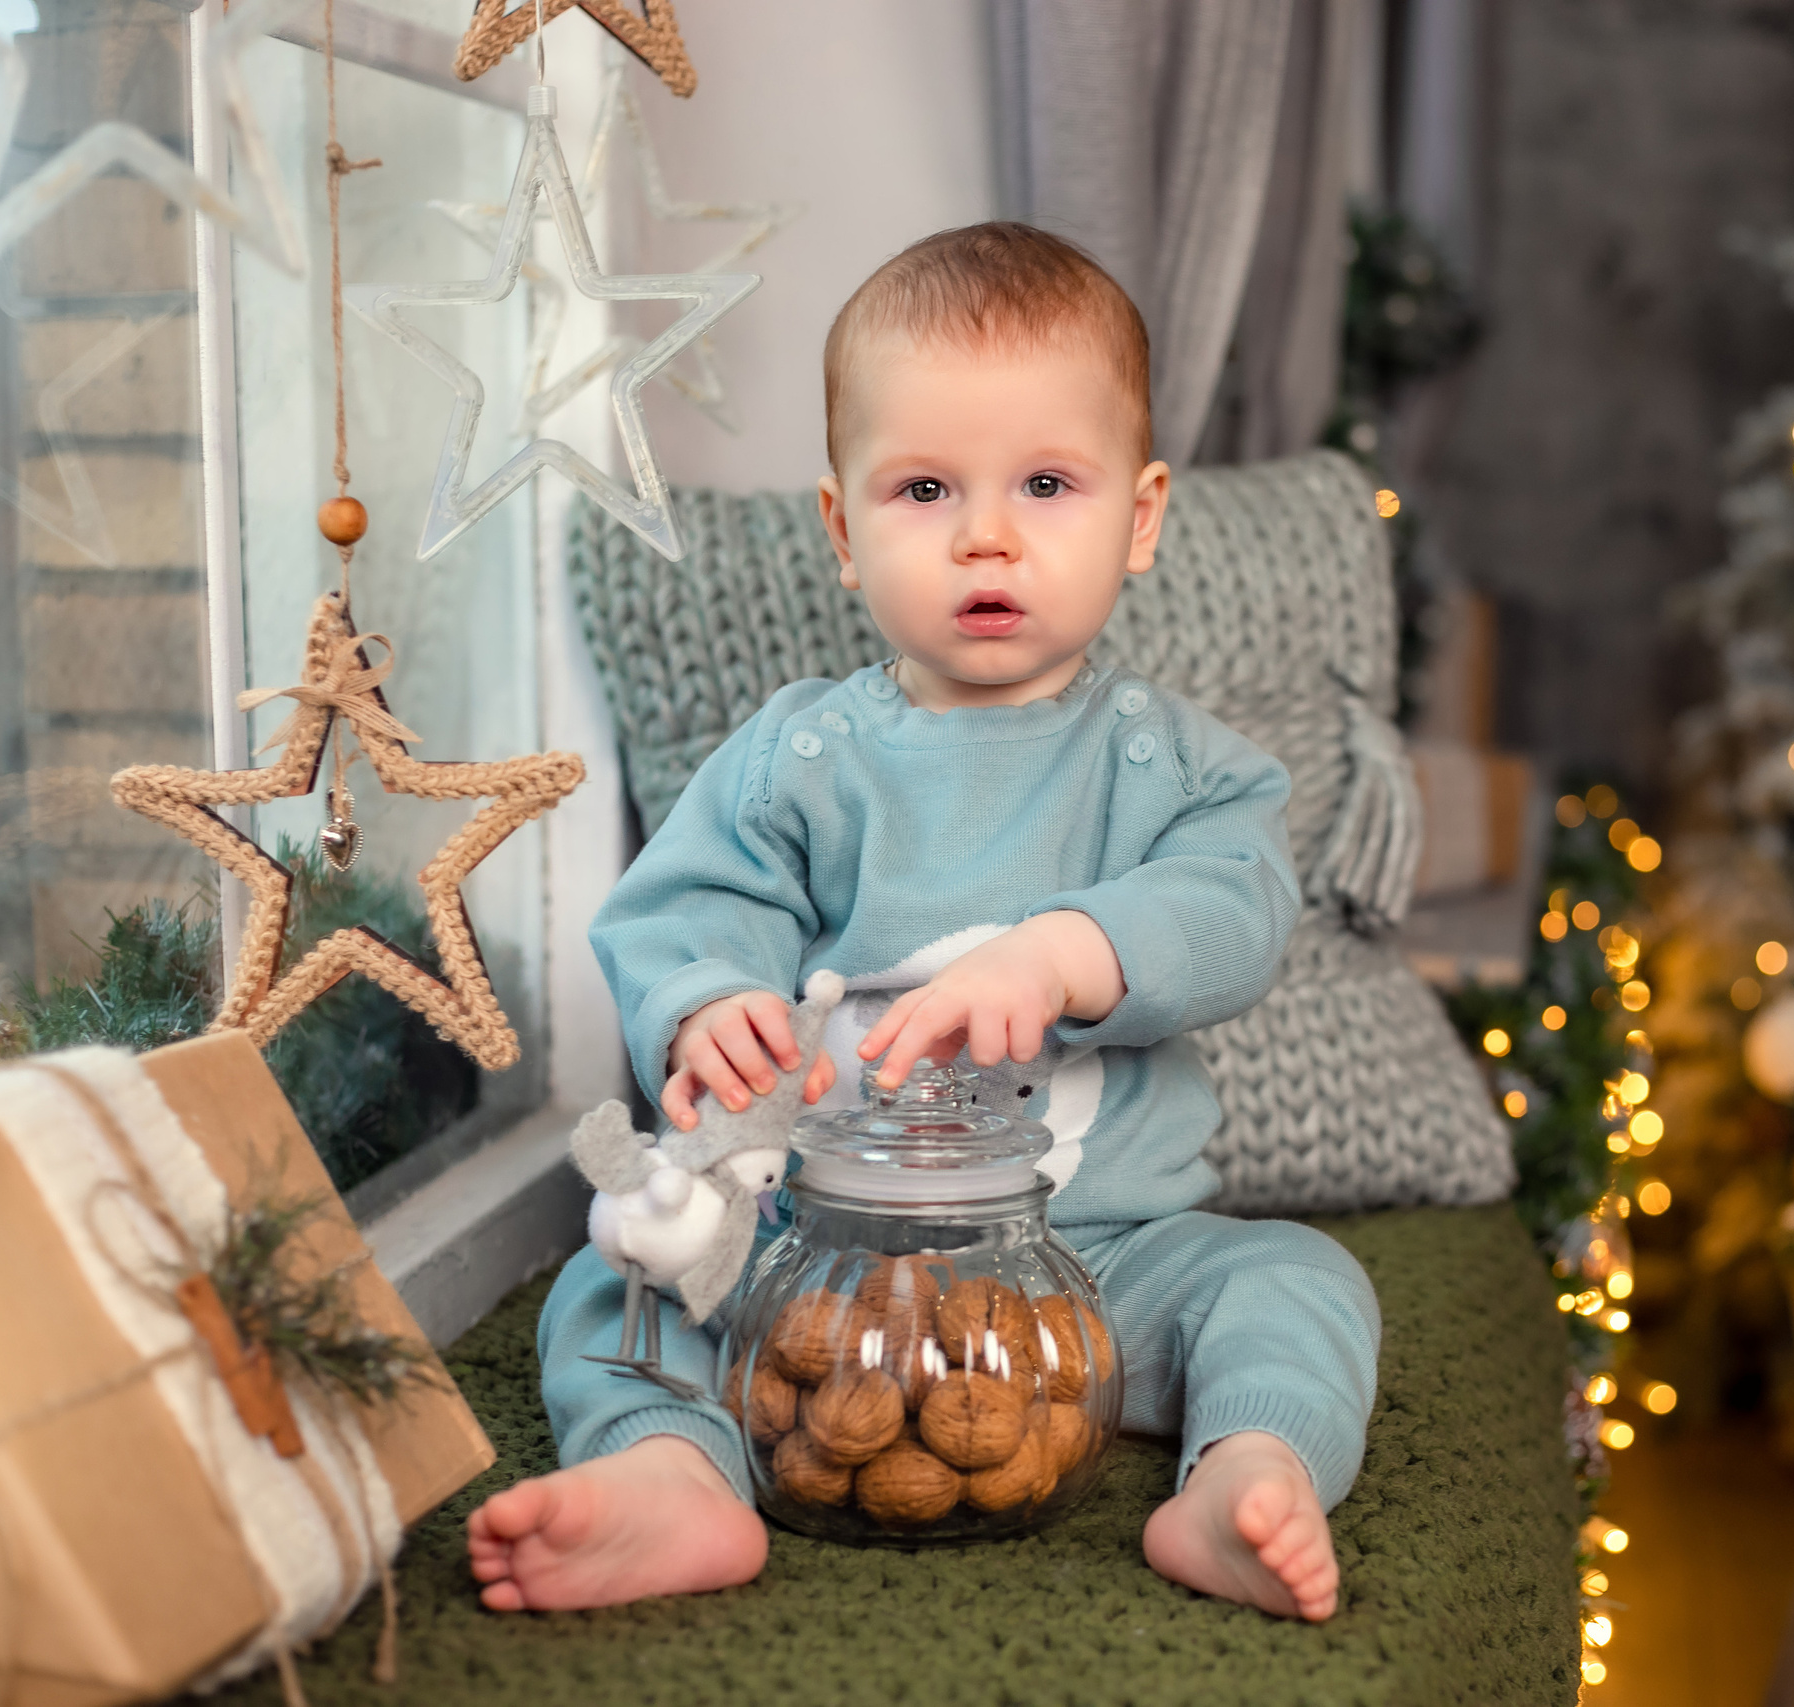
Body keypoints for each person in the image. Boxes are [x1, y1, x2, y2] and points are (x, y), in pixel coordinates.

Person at [466, 223, 1378, 1623]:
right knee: (612, 1293)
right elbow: (685, 905)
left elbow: (1238, 903)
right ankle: (674, 1477)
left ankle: (1246, 1471)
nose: (987, 533)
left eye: (1048, 484)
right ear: (842, 529)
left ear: (1141, 521)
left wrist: (1072, 953)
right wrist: (710, 1007)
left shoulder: (1176, 766)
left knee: (1295, 1280)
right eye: (926, 488)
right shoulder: (804, 757)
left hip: (1103, 1261)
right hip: (808, 1265)